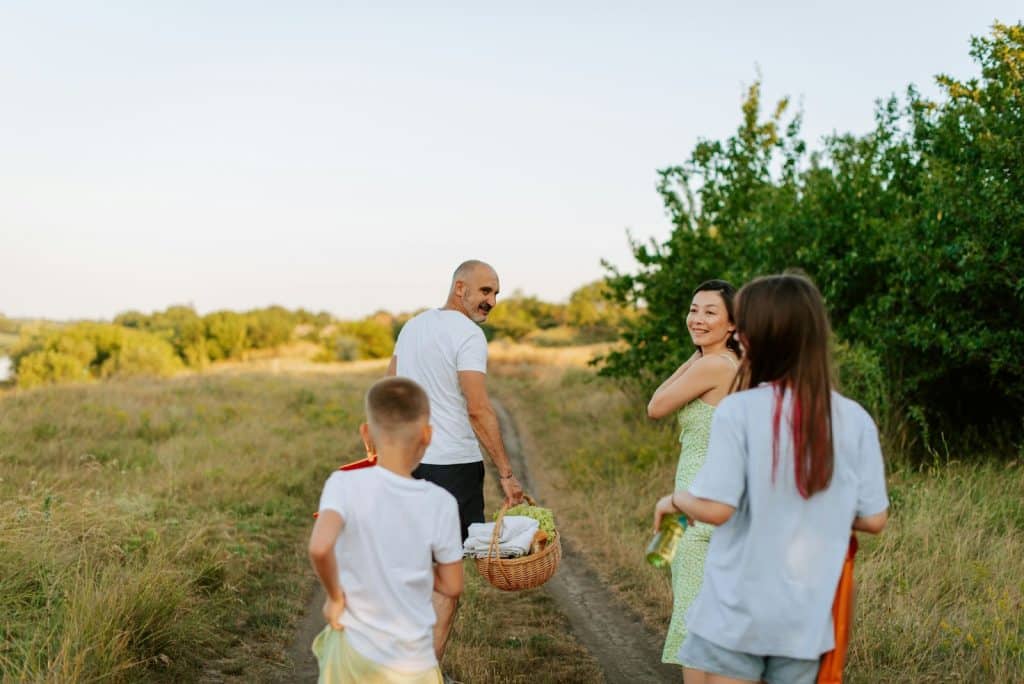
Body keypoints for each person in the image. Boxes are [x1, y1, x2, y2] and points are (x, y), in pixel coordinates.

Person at [652, 273, 890, 684]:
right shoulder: (855, 419)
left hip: (735, 613)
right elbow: (874, 519)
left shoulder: (741, 410)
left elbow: (718, 508)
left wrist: (675, 501)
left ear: (755, 334)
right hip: (805, 618)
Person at [386, 259, 524, 671]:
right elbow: (478, 409)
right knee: (445, 582)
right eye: (485, 291)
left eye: (496, 293)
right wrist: (506, 473)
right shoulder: (467, 335)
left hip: (408, 466)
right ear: (459, 288)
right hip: (451, 469)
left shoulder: (412, 327)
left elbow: (389, 386)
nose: (492, 301)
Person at [308, 377, 464, 684]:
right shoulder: (441, 503)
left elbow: (320, 547)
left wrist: (335, 598)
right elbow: (453, 586)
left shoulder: (342, 483)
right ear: (427, 436)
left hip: (354, 653)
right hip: (413, 663)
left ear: (367, 435)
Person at [647, 279, 741, 668]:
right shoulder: (728, 363)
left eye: (710, 312)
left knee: (693, 622)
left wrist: (698, 356)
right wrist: (698, 352)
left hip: (696, 506)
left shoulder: (716, 366)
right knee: (711, 617)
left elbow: (656, 405)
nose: (697, 318)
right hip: (709, 500)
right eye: (693, 310)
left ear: (732, 325)